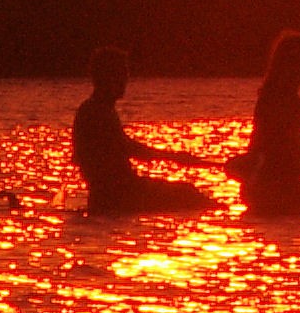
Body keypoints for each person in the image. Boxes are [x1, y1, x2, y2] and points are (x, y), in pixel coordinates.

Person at [72, 49, 220, 214]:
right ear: (107, 77)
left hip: (118, 191)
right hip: (120, 194)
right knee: (190, 195)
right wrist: (175, 157)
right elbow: (129, 148)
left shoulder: (98, 109)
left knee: (190, 194)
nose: (126, 80)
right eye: (122, 74)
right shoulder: (95, 112)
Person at [230, 30, 300, 216]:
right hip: (283, 189)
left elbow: (255, 149)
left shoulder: (266, 99)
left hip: (259, 188)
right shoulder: (291, 105)